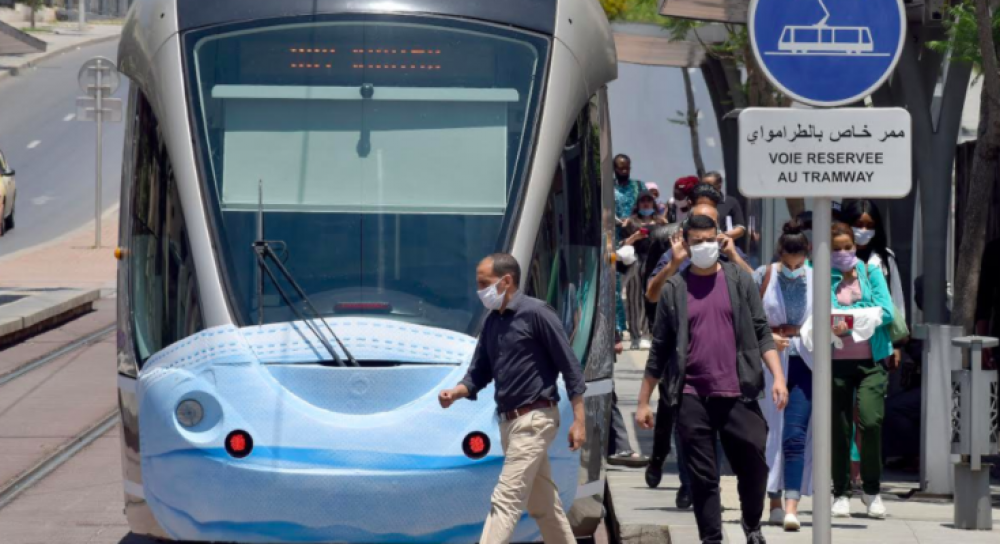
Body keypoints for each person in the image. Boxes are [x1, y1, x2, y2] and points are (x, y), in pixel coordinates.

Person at [636, 214, 788, 544]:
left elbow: (762, 330)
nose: (704, 246)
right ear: (684, 244)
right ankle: (712, 539)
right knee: (703, 477)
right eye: (697, 241)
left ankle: (751, 522)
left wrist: (778, 376)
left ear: (719, 239)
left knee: (754, 466)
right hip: (691, 395)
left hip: (738, 391)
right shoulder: (675, 287)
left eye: (710, 240)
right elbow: (659, 348)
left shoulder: (738, 279)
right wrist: (643, 402)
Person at [439, 253, 587, 544]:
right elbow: (479, 371)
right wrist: (456, 392)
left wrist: (580, 420)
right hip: (509, 424)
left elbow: (571, 367)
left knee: (505, 500)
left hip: (535, 420)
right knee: (545, 507)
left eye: (484, 283)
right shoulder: (492, 321)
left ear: (506, 281)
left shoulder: (538, 313)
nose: (479, 290)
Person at [828, 223, 894, 520]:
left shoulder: (871, 272)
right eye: (836, 248)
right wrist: (860, 318)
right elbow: (822, 314)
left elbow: (888, 312)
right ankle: (840, 492)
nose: (842, 253)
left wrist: (851, 323)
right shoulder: (824, 276)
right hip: (836, 362)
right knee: (839, 429)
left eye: (847, 247)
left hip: (871, 363)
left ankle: (871, 490)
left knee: (870, 422)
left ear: (855, 247)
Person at [753, 220, 814, 532]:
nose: (793, 269)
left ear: (808, 254)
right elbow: (745, 319)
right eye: (788, 263)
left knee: (795, 434)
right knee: (769, 433)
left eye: (799, 263)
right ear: (779, 255)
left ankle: (792, 504)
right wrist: (766, 337)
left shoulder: (817, 280)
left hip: (805, 362)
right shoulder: (762, 275)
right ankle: (773, 500)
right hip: (769, 362)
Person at [840, 199, 906, 370]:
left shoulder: (885, 258)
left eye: (869, 226)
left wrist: (897, 344)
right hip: (841, 343)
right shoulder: (835, 258)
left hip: (877, 342)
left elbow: (896, 301)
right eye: (858, 224)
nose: (863, 231)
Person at [622, 191, 669, 349]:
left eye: (649, 201)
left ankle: (649, 334)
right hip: (636, 263)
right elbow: (624, 244)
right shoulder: (631, 223)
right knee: (634, 300)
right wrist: (635, 237)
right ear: (638, 204)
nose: (646, 204)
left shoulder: (661, 222)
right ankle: (636, 336)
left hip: (655, 264)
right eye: (643, 201)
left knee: (653, 298)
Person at [614, 154, 647, 338]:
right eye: (620, 168)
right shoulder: (609, 188)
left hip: (638, 243)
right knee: (616, 284)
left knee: (638, 288)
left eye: (626, 167)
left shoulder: (638, 186)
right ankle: (618, 327)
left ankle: (640, 329)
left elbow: (647, 205)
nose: (624, 171)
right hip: (617, 243)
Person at [703, 172, 746, 240]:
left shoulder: (730, 202)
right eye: (703, 186)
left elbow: (740, 228)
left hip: (721, 245)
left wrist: (724, 236)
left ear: (719, 185)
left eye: (709, 186)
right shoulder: (697, 202)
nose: (705, 189)